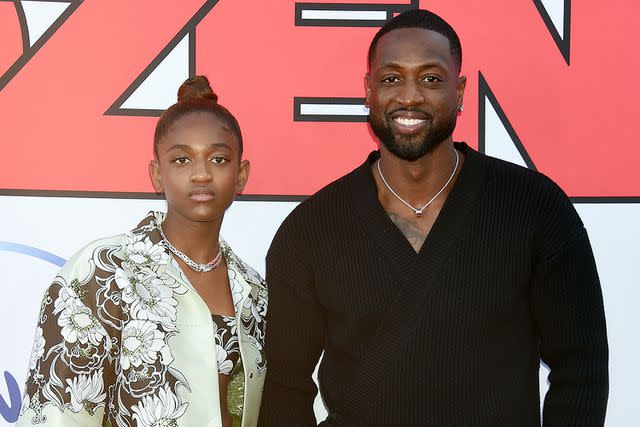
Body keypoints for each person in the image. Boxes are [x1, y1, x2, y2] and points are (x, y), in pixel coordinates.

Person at [259, 9, 608, 426]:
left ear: (459, 92)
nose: (409, 97)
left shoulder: (535, 209)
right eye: (391, 79)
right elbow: (283, 383)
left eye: (431, 79)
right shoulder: (311, 229)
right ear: (368, 91)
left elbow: (582, 368)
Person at [17, 76, 267, 427]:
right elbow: (56, 412)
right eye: (181, 159)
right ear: (157, 174)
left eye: (219, 159)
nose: (200, 174)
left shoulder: (254, 292)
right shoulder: (101, 273)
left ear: (241, 175)